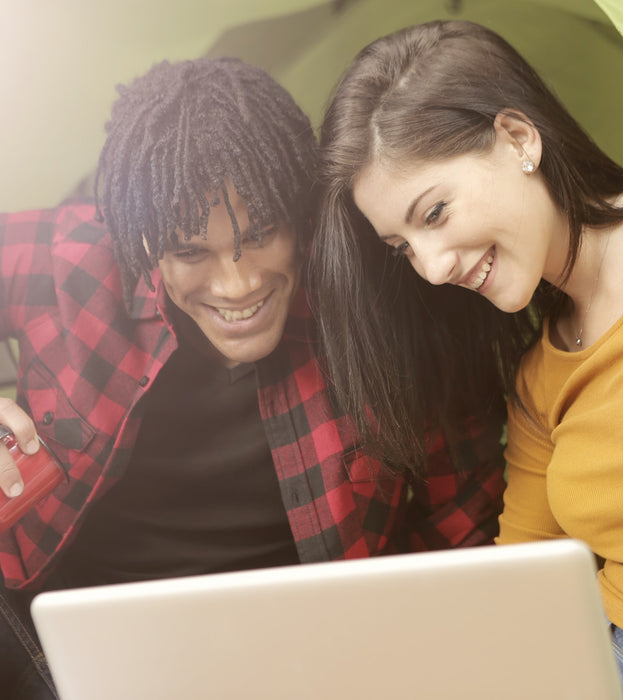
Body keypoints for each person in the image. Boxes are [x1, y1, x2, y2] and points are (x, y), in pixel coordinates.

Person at [0, 56, 507, 699]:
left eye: (261, 234)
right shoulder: (70, 260)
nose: (238, 285)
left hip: (303, 662)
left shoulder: (383, 308)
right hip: (57, 658)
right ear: (144, 243)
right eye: (191, 251)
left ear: (297, 208)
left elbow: (460, 531)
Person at [310, 19, 623, 700]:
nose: (430, 270)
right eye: (402, 247)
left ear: (518, 139)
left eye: (433, 214)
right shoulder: (539, 375)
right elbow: (525, 579)